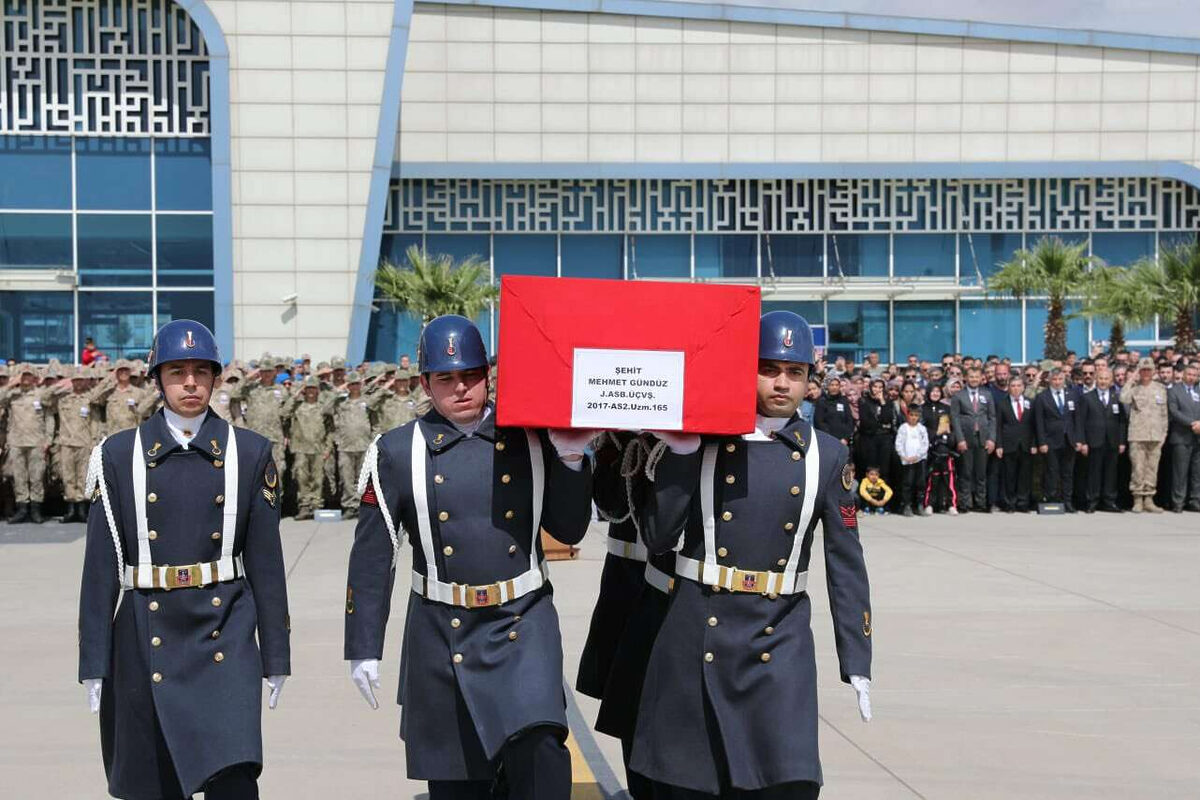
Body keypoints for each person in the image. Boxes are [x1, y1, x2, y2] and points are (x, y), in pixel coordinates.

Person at [343, 314, 594, 800]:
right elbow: (373, 557)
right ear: (425, 383)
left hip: (522, 619)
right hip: (441, 627)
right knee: (457, 776)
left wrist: (570, 460)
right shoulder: (396, 451)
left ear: (488, 374)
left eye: (471, 376)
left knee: (541, 750)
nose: (461, 389)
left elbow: (570, 529)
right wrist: (363, 644)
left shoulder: (531, 437)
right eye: (446, 379)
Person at [631, 310, 871, 799]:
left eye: (795, 372)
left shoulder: (828, 455)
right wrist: (678, 456)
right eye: (769, 369)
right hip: (697, 627)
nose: (782, 383)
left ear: (811, 381)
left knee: (785, 780)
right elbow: (658, 536)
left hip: (778, 636)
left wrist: (858, 657)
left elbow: (845, 564)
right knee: (690, 783)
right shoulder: (705, 441)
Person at [77, 320, 290, 800]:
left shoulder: (249, 453)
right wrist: (93, 659)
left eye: (200, 371)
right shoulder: (117, 455)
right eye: (177, 371)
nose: (190, 383)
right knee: (151, 783)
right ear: (157, 379)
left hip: (226, 636)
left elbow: (267, 567)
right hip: (144, 635)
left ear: (216, 378)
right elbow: (100, 569)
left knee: (234, 778)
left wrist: (276, 654)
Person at [0, 364, 56, 523]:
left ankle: (36, 509)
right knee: (19, 477)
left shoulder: (41, 394)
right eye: (23, 375)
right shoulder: (12, 395)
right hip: (16, 441)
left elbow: (49, 418)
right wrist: (11, 384)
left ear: (34, 377)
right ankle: (22, 508)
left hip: (36, 441)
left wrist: (48, 439)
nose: (25, 378)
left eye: (28, 375)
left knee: (37, 477)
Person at [1120, 357, 1169, 513]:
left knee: (1152, 469)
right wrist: (1131, 379)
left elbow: (1164, 414)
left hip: (1156, 435)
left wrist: (1164, 434)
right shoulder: (1134, 388)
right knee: (1138, 468)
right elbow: (1123, 398)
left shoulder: (1160, 389)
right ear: (1139, 371)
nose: (1146, 373)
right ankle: (1138, 499)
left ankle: (1149, 499)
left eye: (1149, 370)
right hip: (1137, 435)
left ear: (1153, 371)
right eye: (1143, 370)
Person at [1033, 369, 1084, 512]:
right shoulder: (1042, 397)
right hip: (1050, 441)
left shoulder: (1072, 395)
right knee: (1051, 471)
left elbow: (1077, 419)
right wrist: (1041, 442)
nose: (1057, 382)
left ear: (1064, 380)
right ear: (1049, 380)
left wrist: (1079, 439)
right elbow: (1039, 422)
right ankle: (1052, 499)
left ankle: (1067, 501)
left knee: (1068, 473)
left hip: (1069, 440)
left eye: (1060, 379)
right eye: (1054, 379)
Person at [1079, 367, 1128, 513]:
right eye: (1100, 378)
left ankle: (1109, 501)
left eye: (1106, 379)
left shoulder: (1117, 397)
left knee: (1111, 473)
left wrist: (1121, 441)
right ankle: (1092, 501)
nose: (1103, 381)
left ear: (1111, 380)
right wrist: (1083, 442)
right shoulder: (1087, 397)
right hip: (1094, 441)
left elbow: (1121, 422)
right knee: (1094, 473)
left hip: (1112, 441)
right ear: (1096, 379)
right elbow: (1081, 421)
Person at [284, 375, 333, 520]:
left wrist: (328, 448)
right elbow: (284, 413)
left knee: (318, 479)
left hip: (319, 449)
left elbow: (331, 430)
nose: (311, 391)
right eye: (308, 388)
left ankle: (316, 506)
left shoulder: (323, 408)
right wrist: (296, 394)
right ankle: (304, 507)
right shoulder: (298, 406)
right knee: (302, 479)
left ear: (318, 390)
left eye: (314, 388)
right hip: (301, 448)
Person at [950, 366, 996, 512]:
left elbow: (992, 418)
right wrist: (960, 439)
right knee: (966, 472)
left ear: (981, 377)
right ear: (965, 378)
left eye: (976, 377)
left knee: (981, 473)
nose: (974, 379)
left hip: (983, 438)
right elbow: (955, 419)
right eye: (971, 376)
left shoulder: (987, 394)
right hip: (966, 438)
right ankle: (965, 503)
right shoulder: (958, 396)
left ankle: (980, 503)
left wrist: (991, 438)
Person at [995, 376, 1036, 513]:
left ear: (1023, 388)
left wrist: (1034, 443)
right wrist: (999, 445)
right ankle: (1010, 503)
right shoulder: (1002, 404)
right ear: (1009, 387)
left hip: (1026, 444)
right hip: (1009, 445)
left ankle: (1023, 503)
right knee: (1009, 476)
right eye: (1013, 386)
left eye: (1019, 385)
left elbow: (1035, 425)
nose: (1016, 388)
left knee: (1024, 475)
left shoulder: (1030, 403)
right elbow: (998, 426)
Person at [1165, 362, 1200, 512]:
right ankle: (1178, 502)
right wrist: (1192, 423)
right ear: (1183, 375)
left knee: (1197, 472)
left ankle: (1194, 500)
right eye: (1189, 375)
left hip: (1198, 437)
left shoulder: (1198, 390)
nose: (1192, 378)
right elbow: (1173, 411)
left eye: (1195, 375)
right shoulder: (1174, 390)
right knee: (1180, 472)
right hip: (1181, 436)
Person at [857, 379, 897, 479]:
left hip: (885, 439)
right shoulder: (863, 401)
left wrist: (882, 402)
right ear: (870, 387)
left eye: (880, 387)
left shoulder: (888, 402)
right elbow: (865, 422)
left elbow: (887, 419)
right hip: (869, 438)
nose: (877, 390)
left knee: (884, 468)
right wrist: (881, 424)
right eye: (875, 387)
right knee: (871, 467)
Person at [894, 405, 929, 516]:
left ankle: (919, 505)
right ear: (907, 415)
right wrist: (903, 455)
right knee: (907, 483)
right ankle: (907, 505)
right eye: (911, 415)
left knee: (920, 483)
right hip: (907, 460)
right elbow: (898, 443)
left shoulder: (922, 429)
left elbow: (925, 444)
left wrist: (918, 456)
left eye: (916, 415)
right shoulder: (903, 428)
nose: (913, 417)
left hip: (920, 460)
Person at [924, 411, 958, 514]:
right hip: (935, 459)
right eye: (942, 421)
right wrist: (937, 433)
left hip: (947, 460)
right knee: (932, 483)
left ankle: (952, 505)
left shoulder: (951, 433)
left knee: (949, 484)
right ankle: (929, 504)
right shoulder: (933, 433)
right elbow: (929, 443)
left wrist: (948, 433)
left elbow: (953, 444)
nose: (944, 423)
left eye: (946, 421)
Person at [813, 376, 855, 448]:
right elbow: (819, 422)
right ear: (827, 386)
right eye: (832, 385)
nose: (834, 387)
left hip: (843, 441)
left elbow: (849, 420)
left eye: (837, 385)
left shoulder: (843, 400)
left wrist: (845, 438)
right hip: (828, 440)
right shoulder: (822, 401)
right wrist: (831, 438)